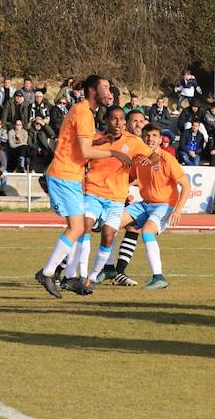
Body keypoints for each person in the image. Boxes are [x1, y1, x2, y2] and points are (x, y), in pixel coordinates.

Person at [35, 75, 132, 299]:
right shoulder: (82, 111)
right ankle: (48, 272)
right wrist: (114, 152)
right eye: (105, 87)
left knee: (79, 228)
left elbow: (82, 146)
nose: (109, 91)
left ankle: (66, 277)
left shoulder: (85, 112)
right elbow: (86, 152)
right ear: (92, 90)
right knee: (77, 228)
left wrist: (102, 140)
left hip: (71, 175)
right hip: (63, 174)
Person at [60, 106, 153, 295]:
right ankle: (80, 275)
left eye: (121, 119)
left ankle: (94, 277)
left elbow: (154, 158)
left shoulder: (134, 142)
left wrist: (149, 162)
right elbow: (75, 158)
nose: (118, 123)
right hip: (93, 193)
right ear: (106, 120)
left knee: (109, 235)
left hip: (116, 198)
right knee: (84, 226)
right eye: (114, 119)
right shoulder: (94, 140)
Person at [94, 122, 192, 291]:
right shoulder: (139, 159)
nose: (150, 139)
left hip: (164, 206)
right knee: (110, 224)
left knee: (147, 232)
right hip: (144, 204)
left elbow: (186, 185)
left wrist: (178, 209)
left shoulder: (167, 159)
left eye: (154, 136)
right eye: (147, 135)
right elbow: (129, 177)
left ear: (161, 140)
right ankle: (109, 269)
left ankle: (158, 277)